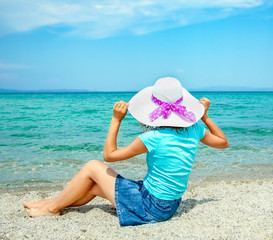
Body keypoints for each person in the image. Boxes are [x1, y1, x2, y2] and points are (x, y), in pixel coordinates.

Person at [23, 77, 229, 226]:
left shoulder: (153, 138)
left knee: (92, 167)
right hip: (170, 203)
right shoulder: (194, 129)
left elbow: (109, 156)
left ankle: (51, 209)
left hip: (153, 206)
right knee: (94, 187)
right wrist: (204, 117)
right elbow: (223, 142)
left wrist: (116, 120)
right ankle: (53, 203)